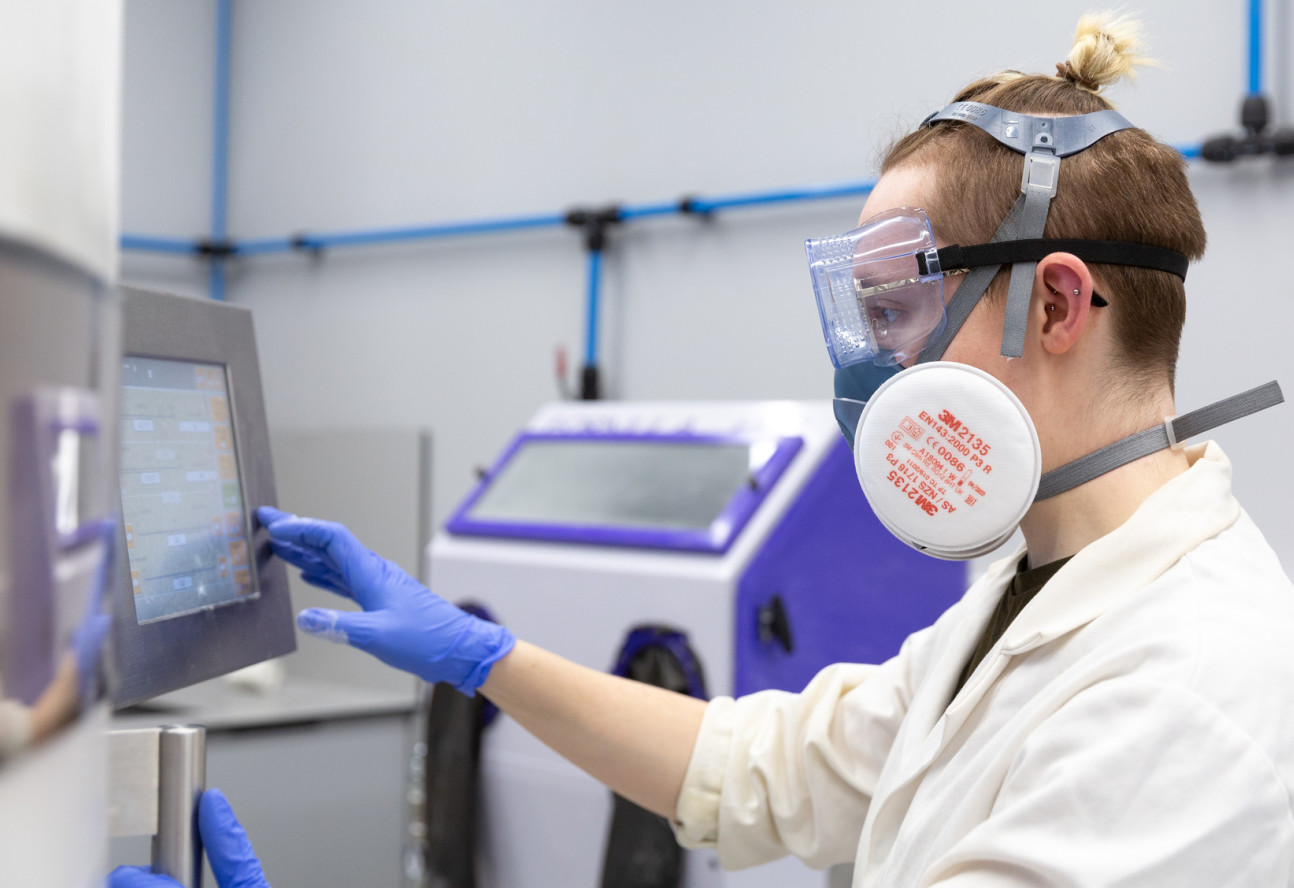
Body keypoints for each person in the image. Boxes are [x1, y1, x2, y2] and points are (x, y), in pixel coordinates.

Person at [111, 12, 1294, 887]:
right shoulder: (1033, 589)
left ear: (1054, 305)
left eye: (891, 311)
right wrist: (487, 659)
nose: (866, 368)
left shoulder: (1187, 689)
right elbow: (765, 767)